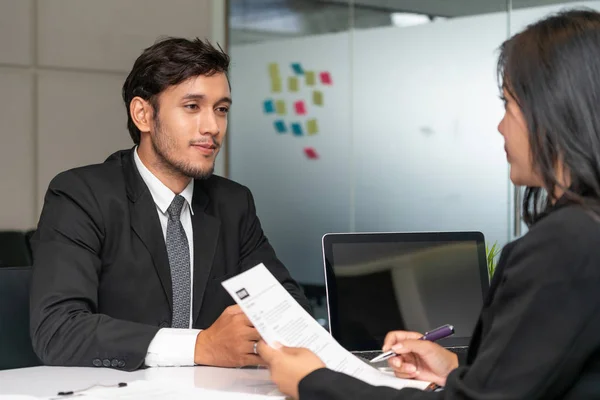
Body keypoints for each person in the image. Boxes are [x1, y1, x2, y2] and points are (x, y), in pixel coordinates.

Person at [257, 9, 600, 400]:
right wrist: (455, 369)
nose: (500, 126)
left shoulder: (567, 243)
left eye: (508, 104)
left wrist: (313, 382)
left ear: (553, 108)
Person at [29, 37, 310, 371]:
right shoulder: (81, 195)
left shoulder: (233, 203)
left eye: (221, 109)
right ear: (143, 115)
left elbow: (288, 312)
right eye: (192, 107)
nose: (213, 127)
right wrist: (200, 346)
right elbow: (58, 330)